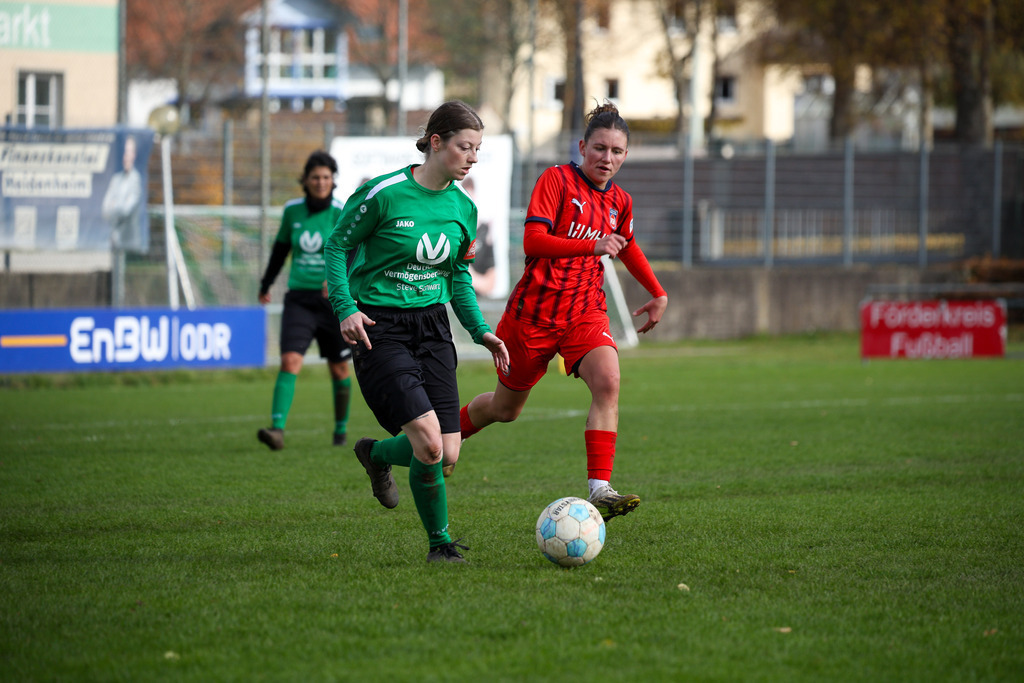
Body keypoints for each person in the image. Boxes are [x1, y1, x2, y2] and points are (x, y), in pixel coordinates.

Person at [451, 101, 668, 522]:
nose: (607, 158)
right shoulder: (556, 180)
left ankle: (600, 488)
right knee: (504, 410)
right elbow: (533, 241)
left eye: (617, 151)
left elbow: (628, 246)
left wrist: (657, 291)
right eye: (600, 148)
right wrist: (593, 245)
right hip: (532, 316)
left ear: (625, 156)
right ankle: (446, 436)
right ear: (582, 148)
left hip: (584, 312)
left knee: (608, 381)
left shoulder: (620, 201)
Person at [324, 100, 509, 564]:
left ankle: (376, 454)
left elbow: (458, 277)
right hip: (379, 327)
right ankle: (440, 545)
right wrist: (346, 308)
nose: (473, 157)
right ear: (436, 142)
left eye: (478, 149)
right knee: (428, 444)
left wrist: (481, 331)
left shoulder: (464, 209)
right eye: (465, 147)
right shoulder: (384, 193)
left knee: (448, 453)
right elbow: (336, 246)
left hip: (432, 327)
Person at [256, 150, 352, 451]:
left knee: (339, 369)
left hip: (331, 302)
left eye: (326, 177)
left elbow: (353, 251)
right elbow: (280, 249)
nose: (321, 182)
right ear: (306, 181)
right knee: (290, 360)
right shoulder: (292, 211)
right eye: (315, 177)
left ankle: (340, 431)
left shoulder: (341, 211)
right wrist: (266, 283)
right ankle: (277, 430)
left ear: (333, 180)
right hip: (299, 299)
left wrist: (337, 280)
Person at [101, 135, 142, 249]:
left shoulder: (135, 179)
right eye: (125, 152)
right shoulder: (116, 179)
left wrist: (114, 205)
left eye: (129, 152)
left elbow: (126, 210)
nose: (126, 156)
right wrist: (119, 205)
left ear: (134, 154)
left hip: (130, 243)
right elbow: (105, 209)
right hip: (115, 242)